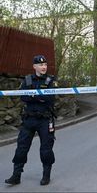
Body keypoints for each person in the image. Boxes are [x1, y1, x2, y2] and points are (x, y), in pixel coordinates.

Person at [5, 55, 58, 186]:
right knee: (21, 148)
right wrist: (38, 96)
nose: (44, 67)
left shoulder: (51, 80)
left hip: (45, 120)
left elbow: (50, 98)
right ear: (34, 66)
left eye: (45, 64)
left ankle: (46, 176)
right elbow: (23, 97)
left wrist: (33, 95)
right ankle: (16, 176)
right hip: (29, 119)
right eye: (40, 65)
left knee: (46, 149)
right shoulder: (27, 80)